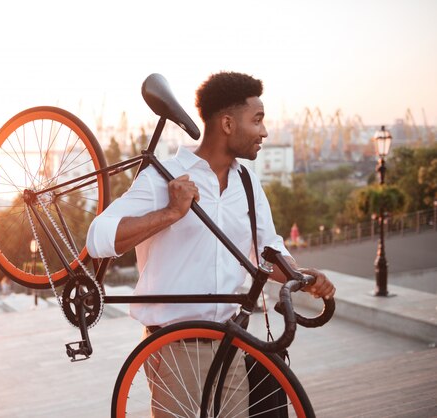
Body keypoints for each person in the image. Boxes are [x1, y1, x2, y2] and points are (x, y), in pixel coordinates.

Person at [87, 71, 335, 417]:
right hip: (174, 348)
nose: (264, 131)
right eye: (258, 120)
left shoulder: (247, 182)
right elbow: (97, 238)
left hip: (230, 343)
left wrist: (303, 276)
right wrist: (170, 213)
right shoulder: (163, 177)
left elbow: (268, 250)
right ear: (228, 124)